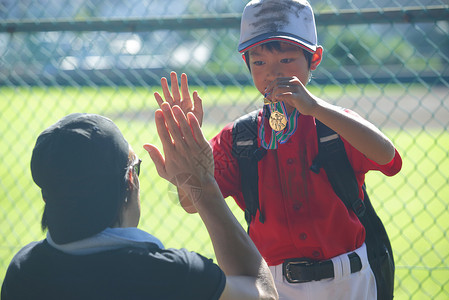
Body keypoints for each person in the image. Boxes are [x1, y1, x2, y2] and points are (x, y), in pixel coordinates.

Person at [153, 0, 402, 299]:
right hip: (272, 284)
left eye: (287, 60)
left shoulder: (334, 124)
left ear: (315, 58)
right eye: (259, 63)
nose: (272, 72)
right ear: (247, 64)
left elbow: (388, 158)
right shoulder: (239, 137)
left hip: (348, 279)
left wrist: (316, 108)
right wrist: (187, 160)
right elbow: (192, 203)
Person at [1, 110, 278, 300]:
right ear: (130, 180)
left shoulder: (23, 271)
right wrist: (203, 186)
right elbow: (262, 293)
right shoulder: (173, 274)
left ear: (47, 197)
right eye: (136, 167)